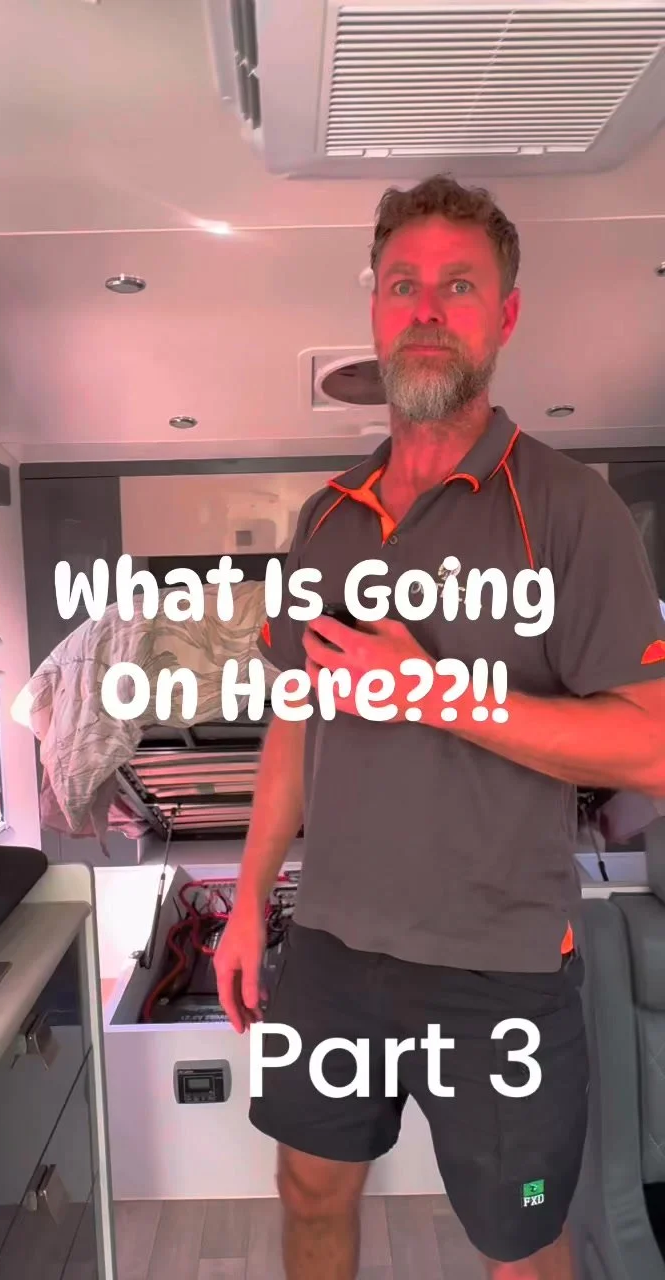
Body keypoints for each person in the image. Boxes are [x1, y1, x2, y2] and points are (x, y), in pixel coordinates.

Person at [214, 174, 665, 1280]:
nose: (427, 307)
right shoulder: (325, 520)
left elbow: (651, 746)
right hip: (330, 948)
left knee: (521, 1241)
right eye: (403, 283)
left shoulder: (569, 509)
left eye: (459, 285)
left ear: (504, 314)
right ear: (374, 308)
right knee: (307, 1187)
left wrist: (433, 692)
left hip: (499, 965)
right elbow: (295, 726)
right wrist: (248, 900)